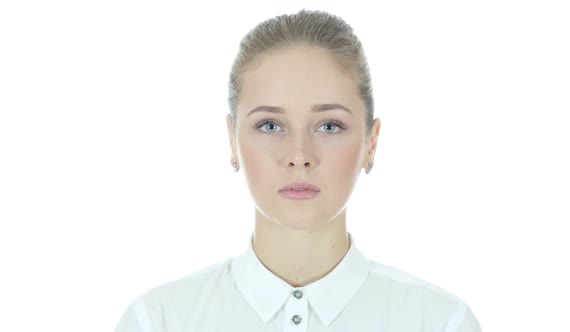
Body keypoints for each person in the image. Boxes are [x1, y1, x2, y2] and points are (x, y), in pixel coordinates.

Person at [114, 9, 482, 331]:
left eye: (329, 126)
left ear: (371, 142)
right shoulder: (159, 321)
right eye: (270, 125)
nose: (299, 155)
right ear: (232, 140)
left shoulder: (438, 323)